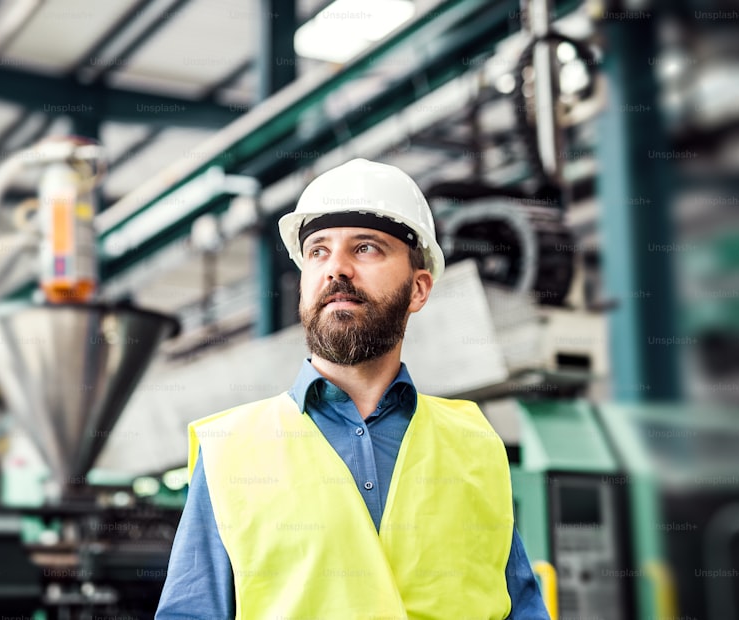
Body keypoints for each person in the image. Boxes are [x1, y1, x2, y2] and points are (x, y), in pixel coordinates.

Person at [155, 158, 549, 619]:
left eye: (366, 248)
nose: (336, 268)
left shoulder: (475, 445)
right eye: (318, 251)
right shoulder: (231, 452)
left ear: (419, 289)